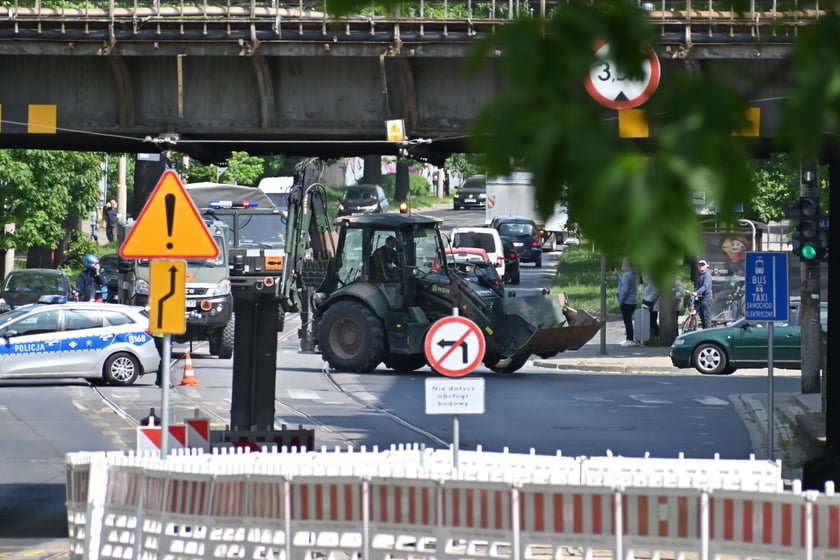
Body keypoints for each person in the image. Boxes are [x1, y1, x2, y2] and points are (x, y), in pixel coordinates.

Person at [613, 258, 638, 347]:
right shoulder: (632, 274)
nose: (622, 266)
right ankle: (628, 338)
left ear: (627, 265)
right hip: (633, 300)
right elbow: (623, 281)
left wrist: (621, 300)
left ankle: (630, 339)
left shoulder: (627, 275)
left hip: (627, 301)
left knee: (627, 321)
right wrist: (617, 275)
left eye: (623, 265)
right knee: (628, 320)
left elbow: (625, 288)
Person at [693, 259, 714, 329]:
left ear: (706, 266)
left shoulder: (707, 275)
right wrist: (695, 291)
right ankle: (704, 332)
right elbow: (698, 286)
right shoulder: (699, 275)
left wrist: (697, 292)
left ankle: (708, 334)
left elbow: (705, 286)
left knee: (706, 318)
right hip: (700, 298)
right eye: (700, 265)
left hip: (706, 299)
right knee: (702, 317)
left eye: (703, 265)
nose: (701, 266)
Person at [641, 273, 659, 340]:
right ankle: (650, 337)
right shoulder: (648, 282)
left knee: (652, 321)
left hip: (651, 303)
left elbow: (656, 291)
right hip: (646, 302)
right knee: (647, 321)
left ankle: (656, 335)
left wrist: (649, 300)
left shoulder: (653, 280)